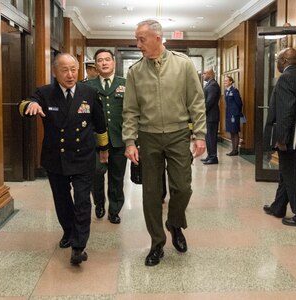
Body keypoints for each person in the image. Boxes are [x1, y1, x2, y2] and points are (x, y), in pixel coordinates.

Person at [122, 19, 206, 267]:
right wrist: (129, 141)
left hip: (178, 134)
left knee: (182, 188)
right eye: (137, 39)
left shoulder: (183, 64)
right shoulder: (135, 72)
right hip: (148, 137)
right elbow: (130, 111)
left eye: (142, 39)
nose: (138, 45)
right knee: (151, 193)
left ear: (158, 38)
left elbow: (197, 102)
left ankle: (175, 223)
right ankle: (157, 243)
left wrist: (199, 135)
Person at [18, 53, 109, 265]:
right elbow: (24, 104)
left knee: (82, 200)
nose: (70, 75)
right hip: (55, 158)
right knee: (62, 200)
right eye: (64, 70)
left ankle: (79, 246)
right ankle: (68, 231)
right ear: (54, 72)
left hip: (83, 156)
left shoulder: (89, 92)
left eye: (74, 70)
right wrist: (29, 106)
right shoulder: (45, 92)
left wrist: (103, 148)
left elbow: (100, 122)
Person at [262, 47, 296, 227]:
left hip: (291, 138)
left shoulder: (286, 78)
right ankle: (278, 206)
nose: (276, 62)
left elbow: (286, 111)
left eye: (277, 59)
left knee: (295, 177)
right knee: (287, 173)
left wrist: (281, 139)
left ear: (284, 60)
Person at [84, 49, 127, 224]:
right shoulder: (87, 86)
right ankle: (99, 203)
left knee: (117, 177)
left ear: (113, 63)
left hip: (119, 139)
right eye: (100, 60)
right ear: (96, 65)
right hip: (95, 140)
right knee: (96, 174)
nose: (104, 63)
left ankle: (115, 210)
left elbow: (132, 111)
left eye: (107, 59)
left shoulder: (125, 83)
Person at [201, 69, 221, 165]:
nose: (202, 75)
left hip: (212, 116)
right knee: (208, 137)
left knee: (211, 137)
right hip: (209, 116)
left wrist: (202, 112)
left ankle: (213, 157)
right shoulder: (209, 84)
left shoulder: (213, 85)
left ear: (210, 74)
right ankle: (210, 155)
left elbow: (210, 101)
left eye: (204, 73)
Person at [224, 75, 242, 156]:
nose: (225, 82)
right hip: (228, 114)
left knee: (235, 131)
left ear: (231, 82)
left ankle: (235, 150)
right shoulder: (226, 91)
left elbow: (239, 102)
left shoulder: (234, 91)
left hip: (234, 115)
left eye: (226, 81)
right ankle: (233, 149)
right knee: (231, 131)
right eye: (224, 81)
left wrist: (236, 112)